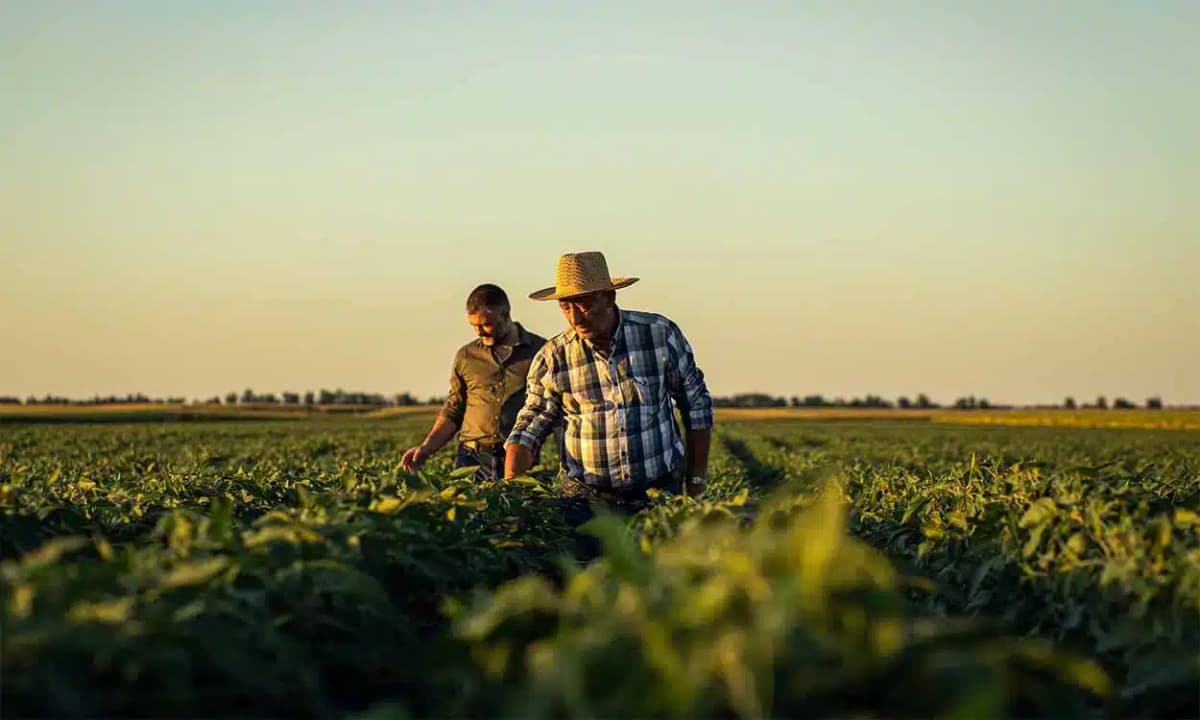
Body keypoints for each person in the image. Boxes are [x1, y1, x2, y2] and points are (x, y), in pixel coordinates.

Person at [503, 251, 713, 557]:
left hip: (655, 496)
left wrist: (695, 480)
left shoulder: (658, 334)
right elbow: (528, 428)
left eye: (584, 304)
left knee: (656, 587)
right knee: (588, 590)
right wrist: (512, 489)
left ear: (609, 297)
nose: (575, 317)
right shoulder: (553, 357)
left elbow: (696, 404)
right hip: (583, 504)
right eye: (566, 307)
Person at [401, 284, 550, 481]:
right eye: (474, 326)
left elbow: (554, 409)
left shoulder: (541, 351)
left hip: (519, 456)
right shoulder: (466, 356)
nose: (479, 332)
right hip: (471, 459)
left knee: (518, 511)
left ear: (506, 315)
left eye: (486, 325)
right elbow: (454, 409)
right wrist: (426, 448)